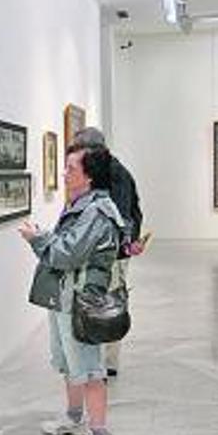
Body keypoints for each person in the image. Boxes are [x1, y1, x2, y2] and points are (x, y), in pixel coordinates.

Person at [19, 143, 125, 435]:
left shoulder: (95, 211)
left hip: (80, 301)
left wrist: (37, 239)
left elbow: (66, 254)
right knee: (70, 364)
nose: (64, 173)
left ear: (89, 176)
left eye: (71, 168)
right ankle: (75, 418)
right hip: (64, 297)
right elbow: (68, 245)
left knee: (90, 369)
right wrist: (47, 238)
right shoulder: (81, 204)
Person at [73, 127, 144, 378]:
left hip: (112, 255)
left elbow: (121, 218)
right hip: (107, 253)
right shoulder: (105, 170)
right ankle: (102, 359)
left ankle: (107, 362)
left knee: (109, 302)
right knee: (102, 301)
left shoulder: (115, 174)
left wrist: (113, 250)